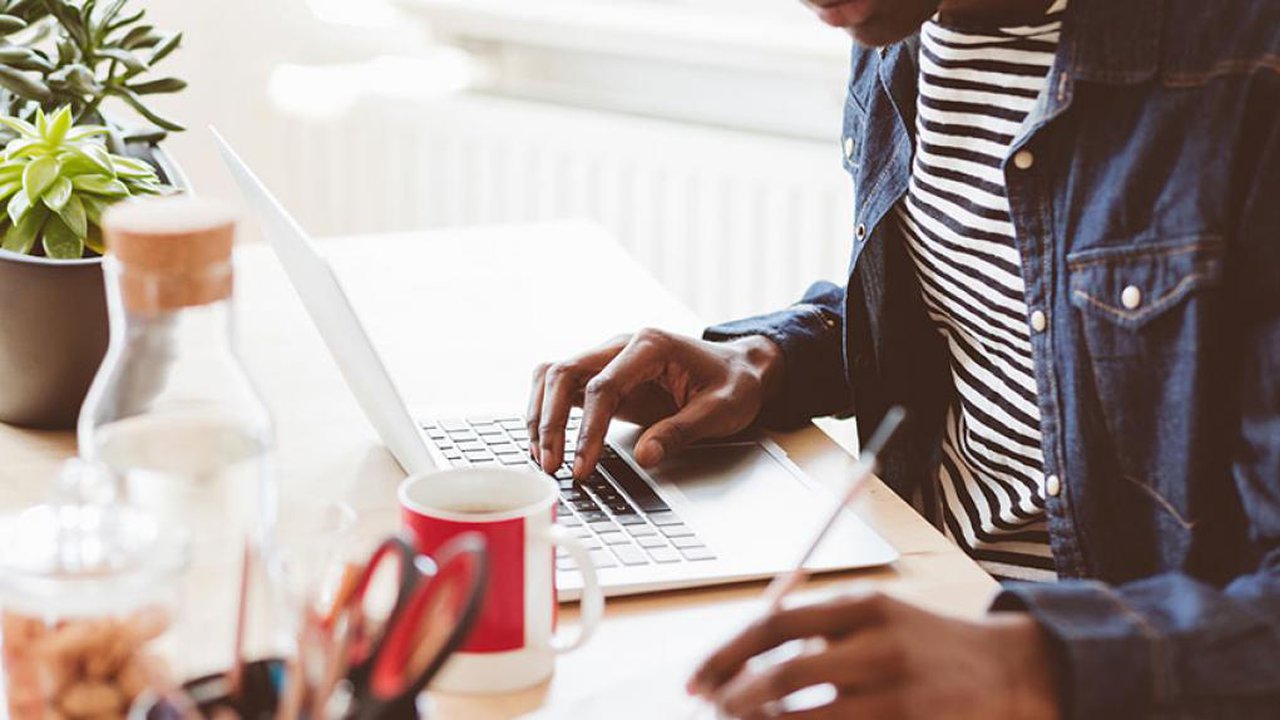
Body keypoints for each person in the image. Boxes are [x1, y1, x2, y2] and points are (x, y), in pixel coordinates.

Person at [528, 0, 1280, 717]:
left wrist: (1032, 664)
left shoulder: (1246, 67)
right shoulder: (898, 32)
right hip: (913, 590)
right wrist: (768, 359)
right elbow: (985, 320)